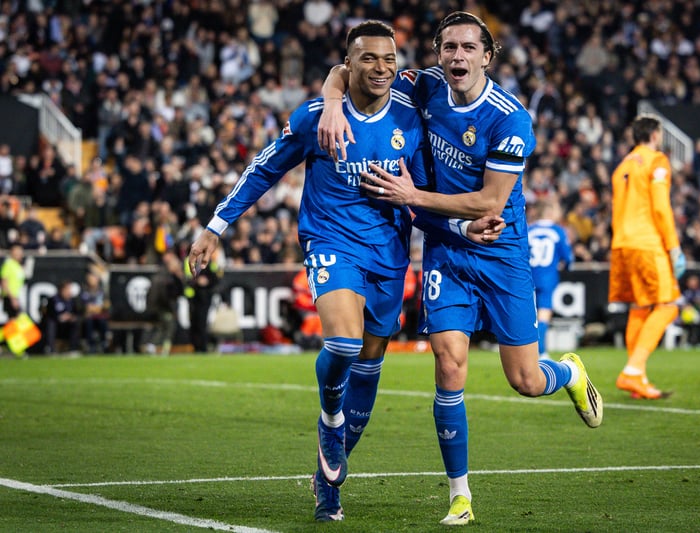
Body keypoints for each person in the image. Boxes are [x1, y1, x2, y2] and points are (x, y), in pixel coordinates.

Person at [187, 20, 504, 523]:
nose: (380, 68)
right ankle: (329, 419)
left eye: (388, 59)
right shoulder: (316, 117)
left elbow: (419, 198)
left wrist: (462, 229)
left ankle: (328, 483)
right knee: (342, 344)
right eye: (368, 58)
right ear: (348, 63)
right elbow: (265, 168)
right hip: (332, 243)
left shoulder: (410, 117)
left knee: (368, 370)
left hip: (389, 256)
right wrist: (215, 226)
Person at [318, 11, 602, 526]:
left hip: (501, 252)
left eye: (469, 48)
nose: (458, 56)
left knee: (525, 380)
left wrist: (412, 196)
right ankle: (460, 495)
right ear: (438, 53)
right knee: (449, 364)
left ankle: (568, 372)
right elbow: (349, 69)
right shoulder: (425, 85)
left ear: (487, 56)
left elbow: (490, 201)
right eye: (449, 47)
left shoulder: (510, 118)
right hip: (446, 249)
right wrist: (333, 103)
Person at [608, 114, 686, 400]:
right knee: (668, 306)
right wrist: (673, 247)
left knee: (640, 308)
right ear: (654, 135)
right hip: (647, 243)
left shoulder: (622, 166)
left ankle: (637, 378)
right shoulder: (657, 161)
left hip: (622, 244)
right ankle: (633, 370)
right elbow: (661, 207)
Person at [526, 197, 574, 360]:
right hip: (548, 277)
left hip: (528, 277)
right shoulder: (558, 231)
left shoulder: (529, 229)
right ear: (550, 211)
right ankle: (541, 352)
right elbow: (568, 258)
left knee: (528, 316)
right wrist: (566, 266)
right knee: (544, 315)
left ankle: (523, 351)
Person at [144, 250, 184, 356]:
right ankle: (157, 346)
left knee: (165, 327)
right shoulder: (166, 277)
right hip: (162, 307)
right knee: (168, 327)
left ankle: (159, 347)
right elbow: (165, 295)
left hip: (162, 307)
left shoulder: (169, 276)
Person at [183, 253, 220, 353]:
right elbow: (186, 279)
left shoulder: (210, 263)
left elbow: (216, 279)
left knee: (202, 322)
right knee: (194, 322)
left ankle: (203, 347)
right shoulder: (190, 262)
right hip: (193, 298)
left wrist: (207, 281)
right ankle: (195, 346)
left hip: (205, 297)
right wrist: (196, 281)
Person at [44, 280, 81, 354]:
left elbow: (77, 313)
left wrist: (71, 317)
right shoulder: (53, 299)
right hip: (57, 324)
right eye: (67, 289)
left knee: (76, 323)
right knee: (50, 323)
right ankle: (50, 348)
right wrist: (60, 317)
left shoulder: (73, 300)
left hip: (67, 325)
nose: (69, 292)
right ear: (61, 289)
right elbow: (49, 314)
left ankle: (73, 348)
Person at [80, 271, 110, 353]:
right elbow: (82, 305)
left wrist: (98, 308)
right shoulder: (84, 291)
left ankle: (103, 343)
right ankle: (90, 345)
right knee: (88, 321)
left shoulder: (102, 291)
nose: (91, 280)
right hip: (88, 316)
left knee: (102, 321)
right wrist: (89, 308)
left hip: (100, 316)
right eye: (89, 279)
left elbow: (107, 305)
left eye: (93, 278)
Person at [1, 242, 26, 323]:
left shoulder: (18, 265)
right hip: (10, 296)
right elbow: (4, 283)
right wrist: (12, 298)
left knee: (17, 320)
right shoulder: (8, 264)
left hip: (17, 296)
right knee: (12, 320)